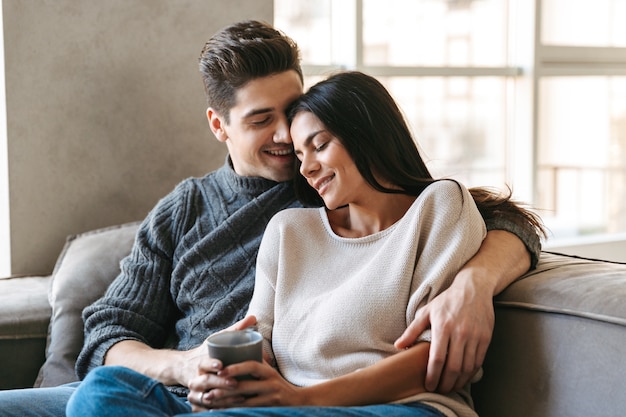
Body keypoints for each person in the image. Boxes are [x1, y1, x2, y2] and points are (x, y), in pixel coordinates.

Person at [1, 20, 540, 417]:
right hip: (179, 391)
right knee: (89, 398)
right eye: (263, 120)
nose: (290, 140)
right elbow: (107, 332)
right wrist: (184, 366)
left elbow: (499, 221)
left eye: (300, 119)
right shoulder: (187, 210)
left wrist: (474, 282)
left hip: (287, 397)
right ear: (220, 125)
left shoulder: (334, 190)